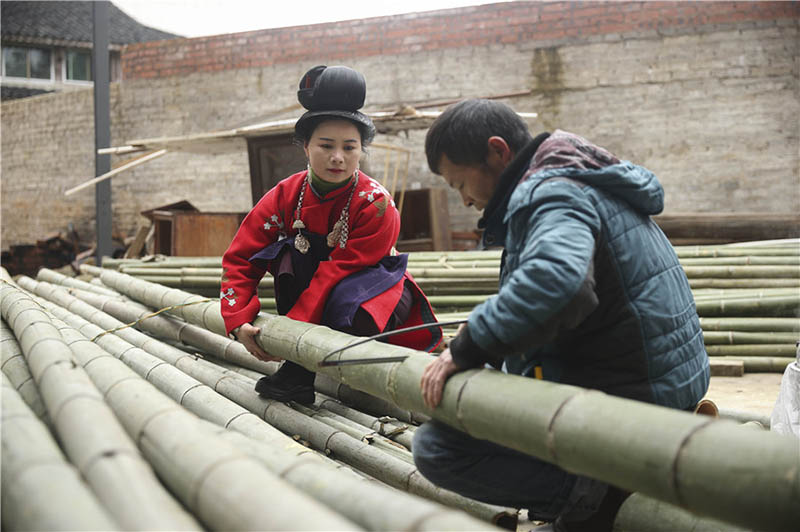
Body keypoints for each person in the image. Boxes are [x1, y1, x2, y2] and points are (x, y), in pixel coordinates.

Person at [413, 99, 710, 531]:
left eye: (461, 183)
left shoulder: (552, 190)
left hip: (636, 403)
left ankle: (597, 496)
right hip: (660, 387)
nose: (465, 200)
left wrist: (470, 345)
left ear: (497, 152)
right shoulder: (576, 176)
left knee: (439, 448)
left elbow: (558, 282)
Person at [221, 65, 441, 405]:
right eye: (326, 145)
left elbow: (336, 273)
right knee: (286, 256)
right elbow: (240, 258)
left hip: (371, 296)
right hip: (315, 294)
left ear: (360, 151)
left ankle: (356, 376)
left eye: (350, 148)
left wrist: (290, 335)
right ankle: (300, 377)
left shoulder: (377, 204)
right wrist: (237, 321)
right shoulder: (284, 196)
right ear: (305, 147)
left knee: (348, 300)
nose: (338, 157)